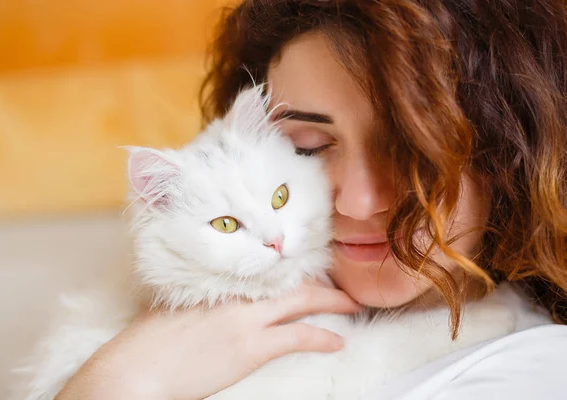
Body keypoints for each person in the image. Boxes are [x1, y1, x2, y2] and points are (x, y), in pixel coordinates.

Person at [57, 0, 567, 399]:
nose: (359, 202)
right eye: (309, 148)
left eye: (409, 147)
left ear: (508, 152)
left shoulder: (537, 371)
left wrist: (116, 385)